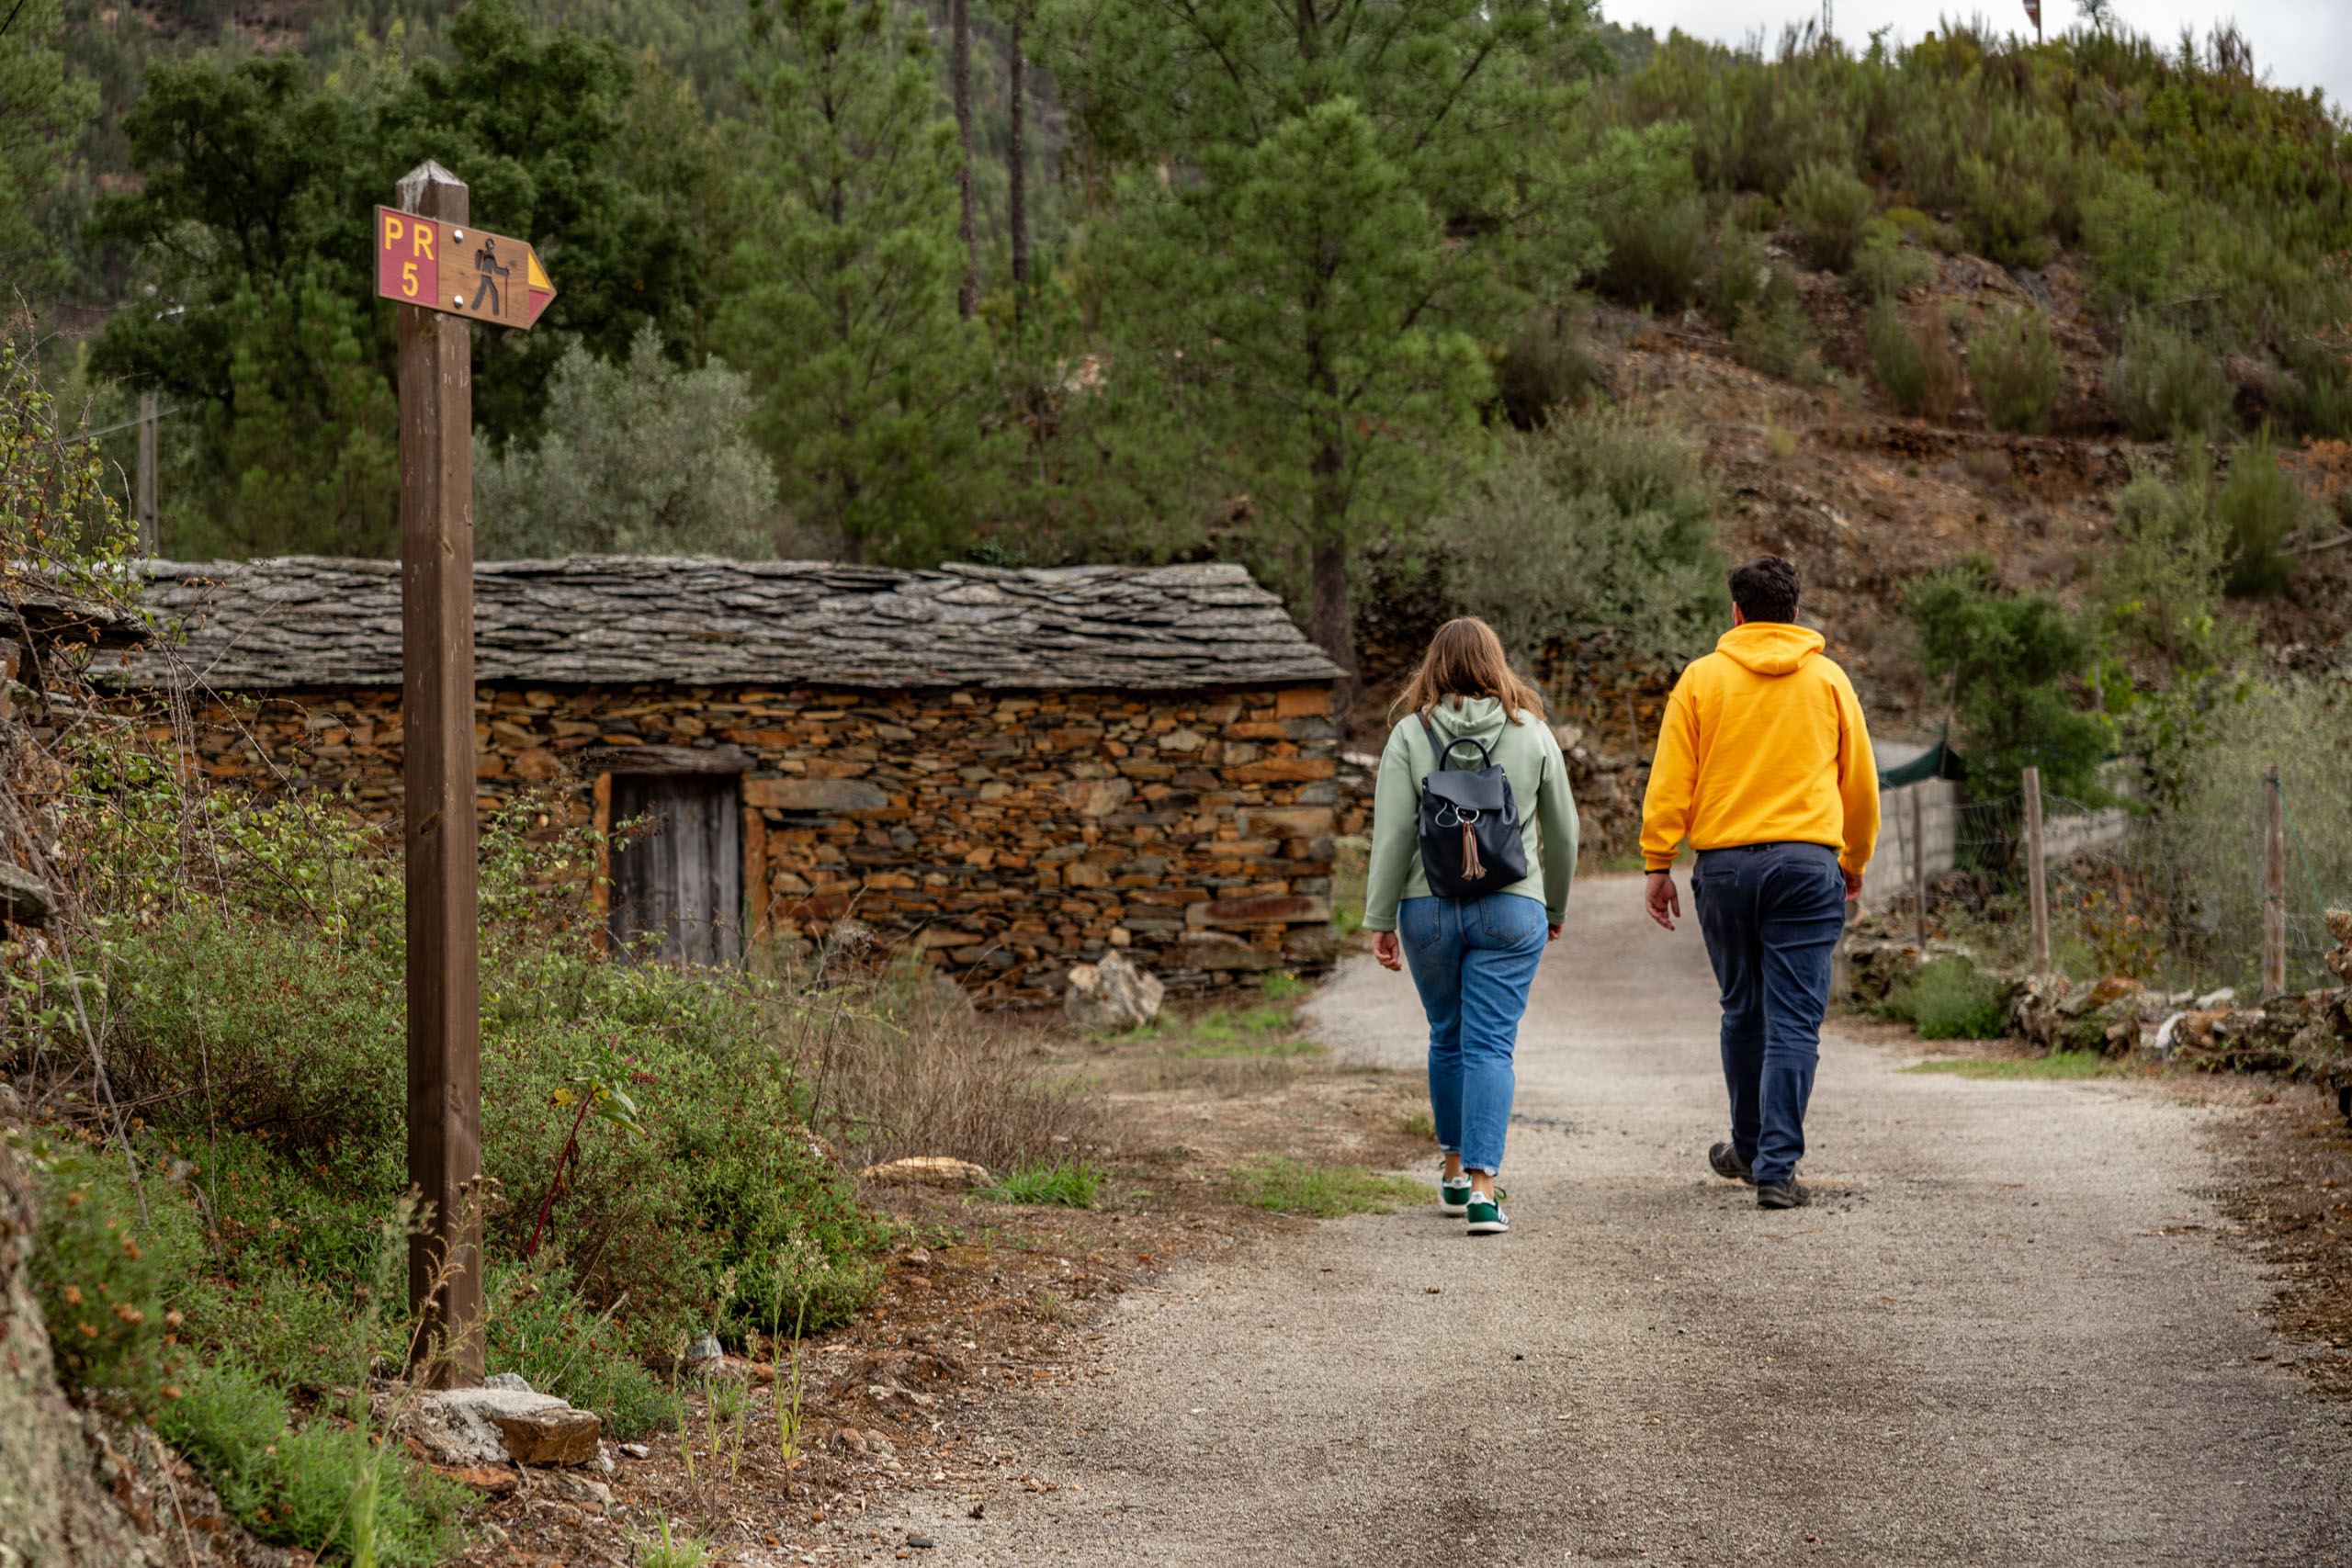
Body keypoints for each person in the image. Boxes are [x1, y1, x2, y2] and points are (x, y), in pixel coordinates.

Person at [1638, 555, 1879, 1211]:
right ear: (1795, 613)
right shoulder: (1829, 680)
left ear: (1736, 613)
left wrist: (1659, 861)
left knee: (1743, 1008)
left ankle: (1748, 1145)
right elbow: (1858, 784)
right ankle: (1775, 1168)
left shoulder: (1701, 680)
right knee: (1795, 1019)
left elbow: (1670, 780)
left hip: (1724, 868)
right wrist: (1853, 859)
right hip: (1806, 865)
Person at [1364, 618, 1578, 1236]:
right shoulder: (1532, 732)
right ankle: (1485, 1190)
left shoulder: (1409, 733)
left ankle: (1454, 1170)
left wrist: (1381, 917)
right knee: (1491, 1043)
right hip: (1513, 906)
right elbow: (1563, 832)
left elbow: (1395, 834)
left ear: (1433, 666)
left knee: (1447, 1034)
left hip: (1426, 908)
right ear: (1496, 663)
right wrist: (1554, 904)